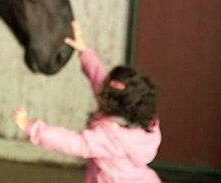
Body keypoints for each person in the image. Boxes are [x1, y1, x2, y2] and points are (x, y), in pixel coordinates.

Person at [12, 21, 162, 183]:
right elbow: (100, 80)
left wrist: (31, 127)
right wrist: (85, 51)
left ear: (111, 102)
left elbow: (73, 142)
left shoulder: (108, 138)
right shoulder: (143, 124)